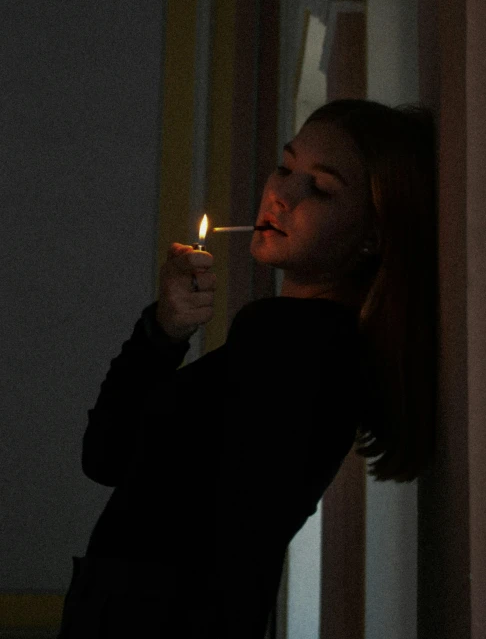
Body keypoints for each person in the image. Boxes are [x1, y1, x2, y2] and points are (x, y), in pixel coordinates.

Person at [57, 99, 437, 639]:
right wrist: (165, 331)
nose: (282, 194)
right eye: (285, 168)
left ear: (373, 234)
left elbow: (237, 550)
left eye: (321, 188)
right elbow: (107, 456)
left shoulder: (289, 342)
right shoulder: (307, 344)